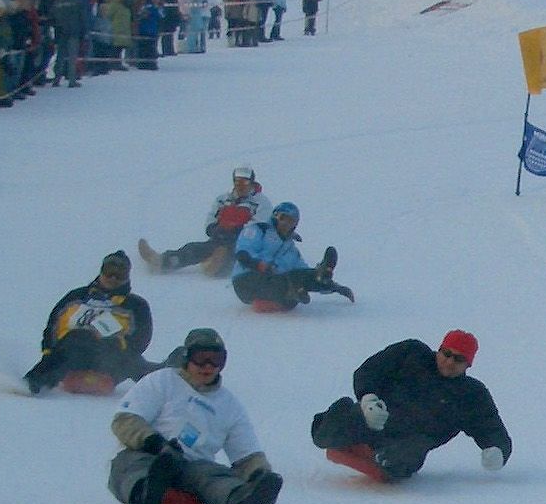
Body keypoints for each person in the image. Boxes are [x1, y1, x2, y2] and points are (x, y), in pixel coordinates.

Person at [107, 328, 283, 504]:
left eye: (215, 360)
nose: (208, 366)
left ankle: (238, 501)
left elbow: (247, 455)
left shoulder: (228, 405)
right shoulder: (163, 381)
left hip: (193, 467)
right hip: (152, 454)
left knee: (213, 476)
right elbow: (125, 420)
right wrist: (157, 445)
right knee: (130, 466)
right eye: (201, 358)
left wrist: (260, 474)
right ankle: (147, 492)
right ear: (187, 357)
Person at [309, 330, 512, 482]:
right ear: (439, 350)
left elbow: (491, 427)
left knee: (402, 459)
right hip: (373, 419)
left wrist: (497, 451)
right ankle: (349, 436)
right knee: (324, 433)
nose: (449, 362)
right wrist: (368, 398)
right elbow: (370, 370)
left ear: (468, 365)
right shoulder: (411, 353)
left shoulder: (471, 394)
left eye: (458, 359)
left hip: (409, 442)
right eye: (446, 353)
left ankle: (378, 458)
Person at [23, 251, 158, 394]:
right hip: (71, 351)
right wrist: (48, 351)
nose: (113, 278)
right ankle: (32, 383)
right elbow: (53, 325)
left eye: (120, 274)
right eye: (109, 271)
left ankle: (165, 383)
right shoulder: (77, 296)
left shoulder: (135, 305)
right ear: (101, 271)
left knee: (134, 362)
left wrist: (119, 344)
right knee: (78, 340)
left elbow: (142, 337)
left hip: (110, 356)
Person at [139, 165, 272, 275]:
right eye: (237, 182)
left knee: (233, 255)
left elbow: (260, 224)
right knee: (194, 249)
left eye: (244, 182)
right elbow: (212, 215)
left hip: (242, 242)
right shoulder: (224, 199)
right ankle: (161, 261)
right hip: (220, 236)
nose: (240, 186)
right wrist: (213, 228)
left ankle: (218, 267)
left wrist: (239, 231)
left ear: (251, 183)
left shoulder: (260, 202)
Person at [231, 201, 353, 309]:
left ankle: (323, 275)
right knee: (290, 280)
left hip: (271, 285)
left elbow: (302, 271)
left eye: (291, 221)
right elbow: (243, 253)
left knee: (301, 276)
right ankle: (292, 290)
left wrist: (334, 287)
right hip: (247, 280)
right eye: (283, 218)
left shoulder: (290, 248)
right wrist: (259, 265)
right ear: (275, 216)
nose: (286, 224)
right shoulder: (259, 230)